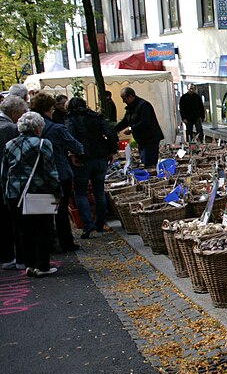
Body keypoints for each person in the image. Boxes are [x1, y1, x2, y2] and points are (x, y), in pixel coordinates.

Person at [0, 111, 63, 277]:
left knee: (23, 230)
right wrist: (57, 191)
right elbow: (50, 171)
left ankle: (28, 264)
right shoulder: (43, 144)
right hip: (39, 192)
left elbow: (4, 173)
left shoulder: (9, 145)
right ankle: (42, 266)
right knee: (44, 229)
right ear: (38, 127)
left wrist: (6, 195)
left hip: (15, 194)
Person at [30, 93, 83, 252]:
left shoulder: (28, 127)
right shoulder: (56, 128)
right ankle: (66, 242)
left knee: (43, 211)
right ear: (49, 109)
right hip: (60, 172)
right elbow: (77, 147)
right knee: (61, 209)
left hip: (38, 175)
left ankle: (48, 242)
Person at [66, 97, 117, 239]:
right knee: (99, 192)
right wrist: (112, 151)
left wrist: (73, 154)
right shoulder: (96, 116)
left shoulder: (71, 119)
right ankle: (99, 222)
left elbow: (70, 137)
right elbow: (111, 133)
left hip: (82, 158)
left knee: (81, 192)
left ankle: (87, 224)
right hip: (100, 156)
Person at [0, 95, 27, 270]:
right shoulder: (10, 129)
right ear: (15, 112)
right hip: (9, 180)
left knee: (3, 220)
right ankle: (19, 258)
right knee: (15, 220)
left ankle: (6, 256)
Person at [115, 87, 164, 167]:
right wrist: (113, 130)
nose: (123, 101)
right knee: (144, 161)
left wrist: (131, 129)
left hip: (150, 139)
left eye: (124, 98)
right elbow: (125, 122)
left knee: (148, 163)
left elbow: (145, 122)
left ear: (131, 96)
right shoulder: (130, 108)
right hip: (141, 140)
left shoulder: (144, 105)